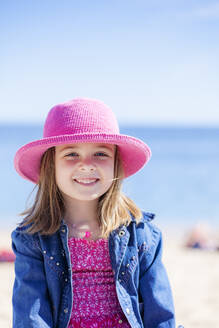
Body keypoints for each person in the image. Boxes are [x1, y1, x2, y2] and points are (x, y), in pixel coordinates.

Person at [11, 98, 175, 328]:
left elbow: (160, 315)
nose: (87, 165)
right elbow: (30, 317)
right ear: (51, 164)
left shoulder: (142, 235)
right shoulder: (33, 239)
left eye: (100, 153)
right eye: (71, 154)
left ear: (116, 163)